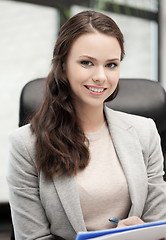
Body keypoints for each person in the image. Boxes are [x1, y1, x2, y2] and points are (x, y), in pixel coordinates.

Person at [7, 10, 166, 240]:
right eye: (86, 63)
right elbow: (32, 237)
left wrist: (142, 232)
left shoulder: (145, 132)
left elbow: (158, 224)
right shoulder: (25, 145)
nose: (101, 76)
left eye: (111, 65)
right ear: (62, 66)